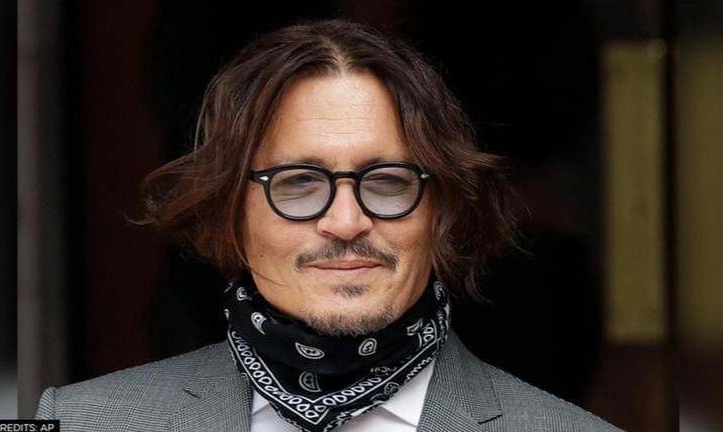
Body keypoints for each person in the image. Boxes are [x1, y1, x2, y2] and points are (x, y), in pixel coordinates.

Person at [35, 19, 622, 432]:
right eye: (299, 183)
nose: (346, 221)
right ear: (232, 213)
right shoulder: (80, 422)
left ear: (440, 213)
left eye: (387, 182)